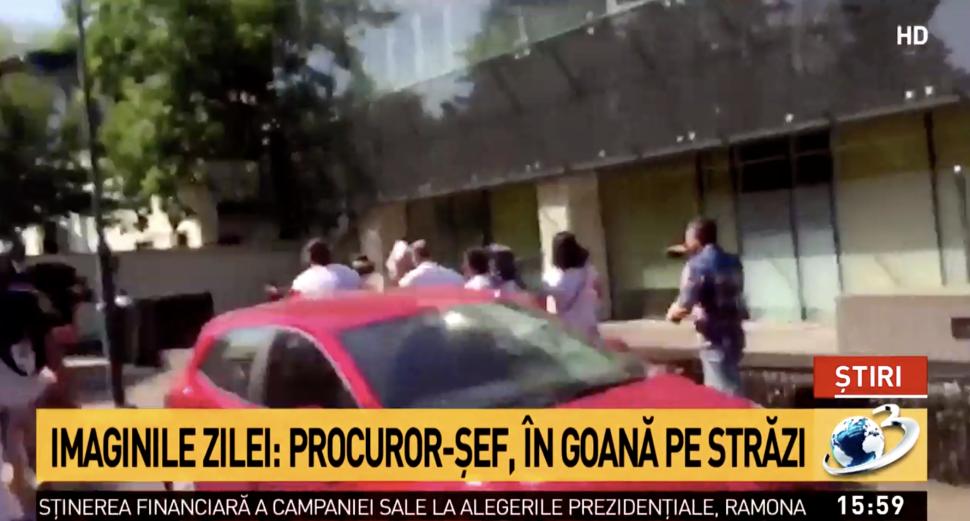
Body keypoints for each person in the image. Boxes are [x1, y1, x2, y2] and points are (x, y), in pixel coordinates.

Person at [665, 217, 748, 396]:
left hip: (713, 337)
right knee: (731, 381)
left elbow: (684, 306)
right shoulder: (733, 261)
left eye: (688, 239)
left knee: (722, 392)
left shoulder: (697, 266)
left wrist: (672, 314)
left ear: (695, 239)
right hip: (734, 333)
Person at [542, 232, 602, 341]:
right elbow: (599, 293)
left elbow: (545, 305)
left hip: (568, 329)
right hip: (589, 325)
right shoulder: (589, 271)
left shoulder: (552, 277)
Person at [287, 238, 362, 298]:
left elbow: (294, 302)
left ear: (309, 258)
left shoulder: (301, 282)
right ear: (330, 255)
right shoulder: (350, 273)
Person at [397, 240, 464, 288]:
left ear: (415, 256)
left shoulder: (412, 278)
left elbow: (401, 290)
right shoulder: (455, 277)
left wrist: (399, 270)